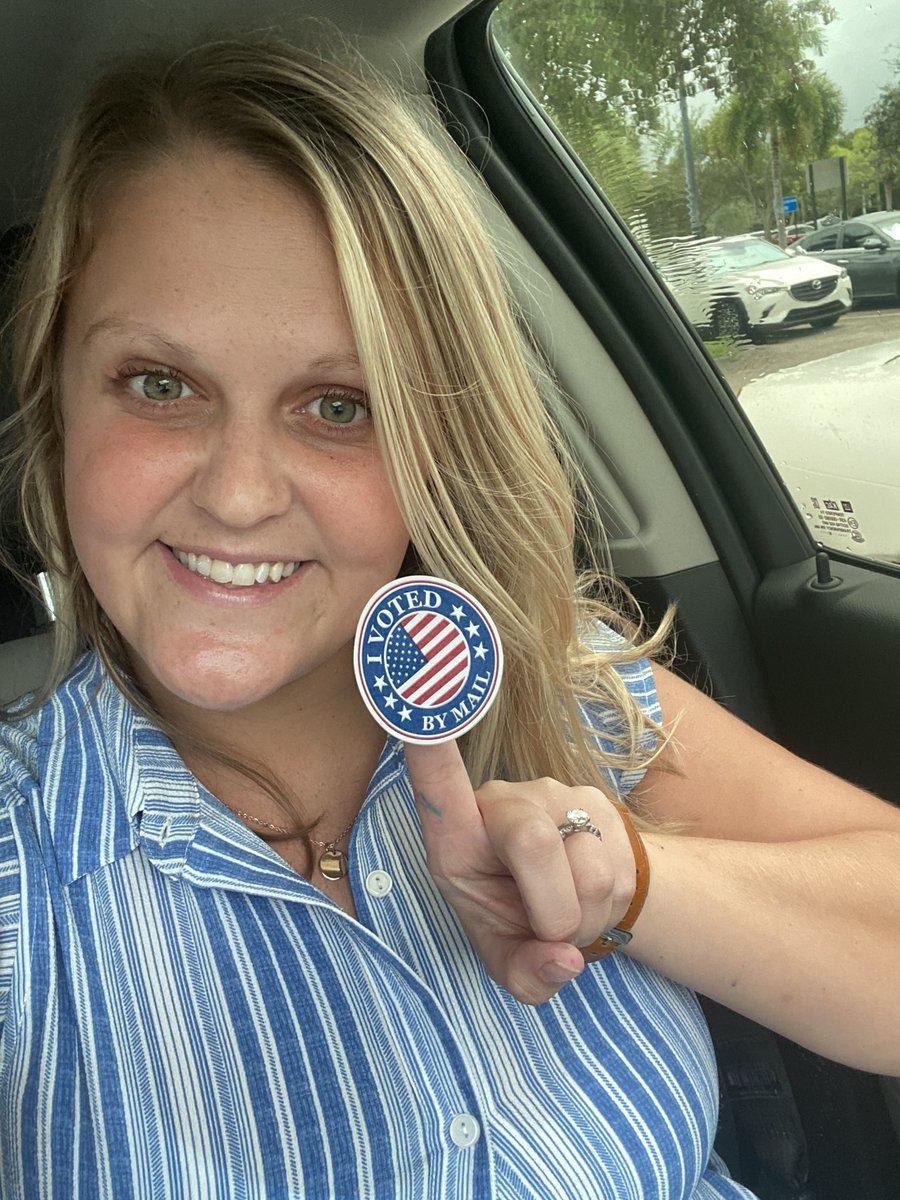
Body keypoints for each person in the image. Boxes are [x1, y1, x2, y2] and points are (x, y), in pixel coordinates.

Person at [0, 36, 898, 1200]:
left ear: (434, 444)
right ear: (57, 403)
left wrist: (632, 882)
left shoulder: (564, 688)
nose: (236, 492)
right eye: (159, 385)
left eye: (339, 404)